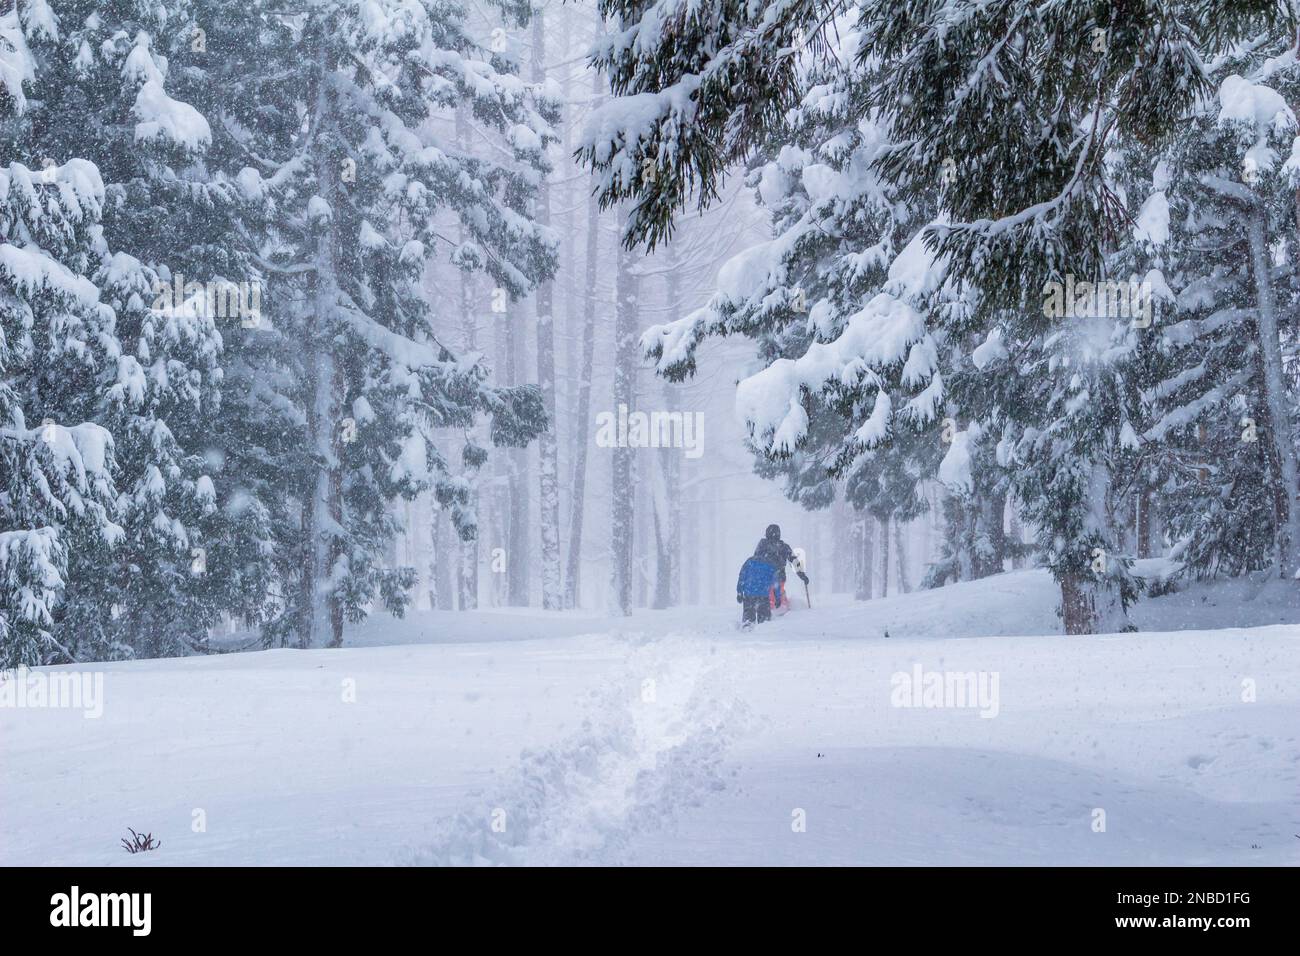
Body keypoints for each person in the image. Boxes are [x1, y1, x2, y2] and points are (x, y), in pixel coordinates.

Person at [752, 524, 809, 608]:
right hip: (779, 577)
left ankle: (774, 610)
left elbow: (755, 561)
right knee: (778, 594)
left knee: (770, 597)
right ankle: (783, 607)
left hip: (764, 578)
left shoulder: (762, 545)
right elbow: (794, 561)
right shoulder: (784, 547)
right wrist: (802, 575)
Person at [736, 554, 778, 627]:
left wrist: (739, 592)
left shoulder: (749, 562)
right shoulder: (770, 564)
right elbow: (775, 582)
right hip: (763, 596)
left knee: (748, 622)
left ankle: (746, 633)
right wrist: (777, 597)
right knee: (765, 624)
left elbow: (742, 577)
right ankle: (763, 634)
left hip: (749, 595)